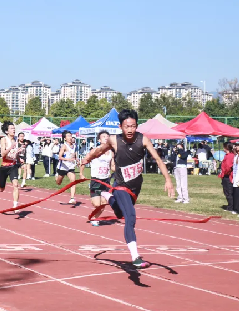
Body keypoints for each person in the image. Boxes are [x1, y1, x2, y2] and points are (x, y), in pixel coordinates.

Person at [80, 109, 175, 269]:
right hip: (120, 185)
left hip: (135, 187)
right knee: (130, 217)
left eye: (133, 126)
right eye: (126, 126)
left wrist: (168, 179)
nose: (130, 130)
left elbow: (158, 159)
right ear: (120, 126)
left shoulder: (143, 139)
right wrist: (87, 158)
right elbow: (99, 150)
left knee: (119, 214)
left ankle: (108, 196)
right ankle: (135, 256)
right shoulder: (114, 140)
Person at [0, 121, 22, 210]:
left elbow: (14, 153)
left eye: (14, 128)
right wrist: (11, 147)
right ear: (7, 131)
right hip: (4, 166)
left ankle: (15, 206)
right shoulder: (3, 139)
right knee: (1, 189)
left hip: (13, 166)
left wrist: (19, 159)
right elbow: (3, 154)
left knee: (15, 185)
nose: (14, 130)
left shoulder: (15, 140)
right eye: (11, 128)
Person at [87, 130, 114, 226]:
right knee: (97, 204)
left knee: (104, 203)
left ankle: (95, 218)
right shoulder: (95, 150)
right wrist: (81, 173)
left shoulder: (111, 152)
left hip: (106, 180)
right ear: (99, 140)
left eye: (107, 136)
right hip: (96, 179)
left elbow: (112, 167)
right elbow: (85, 160)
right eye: (104, 136)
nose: (106, 138)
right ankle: (93, 194)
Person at [56, 130, 79, 205]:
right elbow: (60, 157)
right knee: (58, 183)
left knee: (73, 181)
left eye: (71, 135)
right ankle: (57, 177)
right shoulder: (64, 146)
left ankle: (72, 198)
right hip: (63, 167)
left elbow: (74, 155)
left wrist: (77, 160)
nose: (70, 137)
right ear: (65, 138)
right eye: (68, 136)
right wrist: (68, 159)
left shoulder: (74, 146)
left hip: (70, 167)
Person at [218, 143, 235, 212]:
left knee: (228, 192)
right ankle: (231, 205)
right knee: (227, 191)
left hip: (228, 176)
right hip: (226, 175)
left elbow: (228, 166)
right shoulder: (228, 155)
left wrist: (224, 173)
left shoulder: (229, 156)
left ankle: (231, 207)